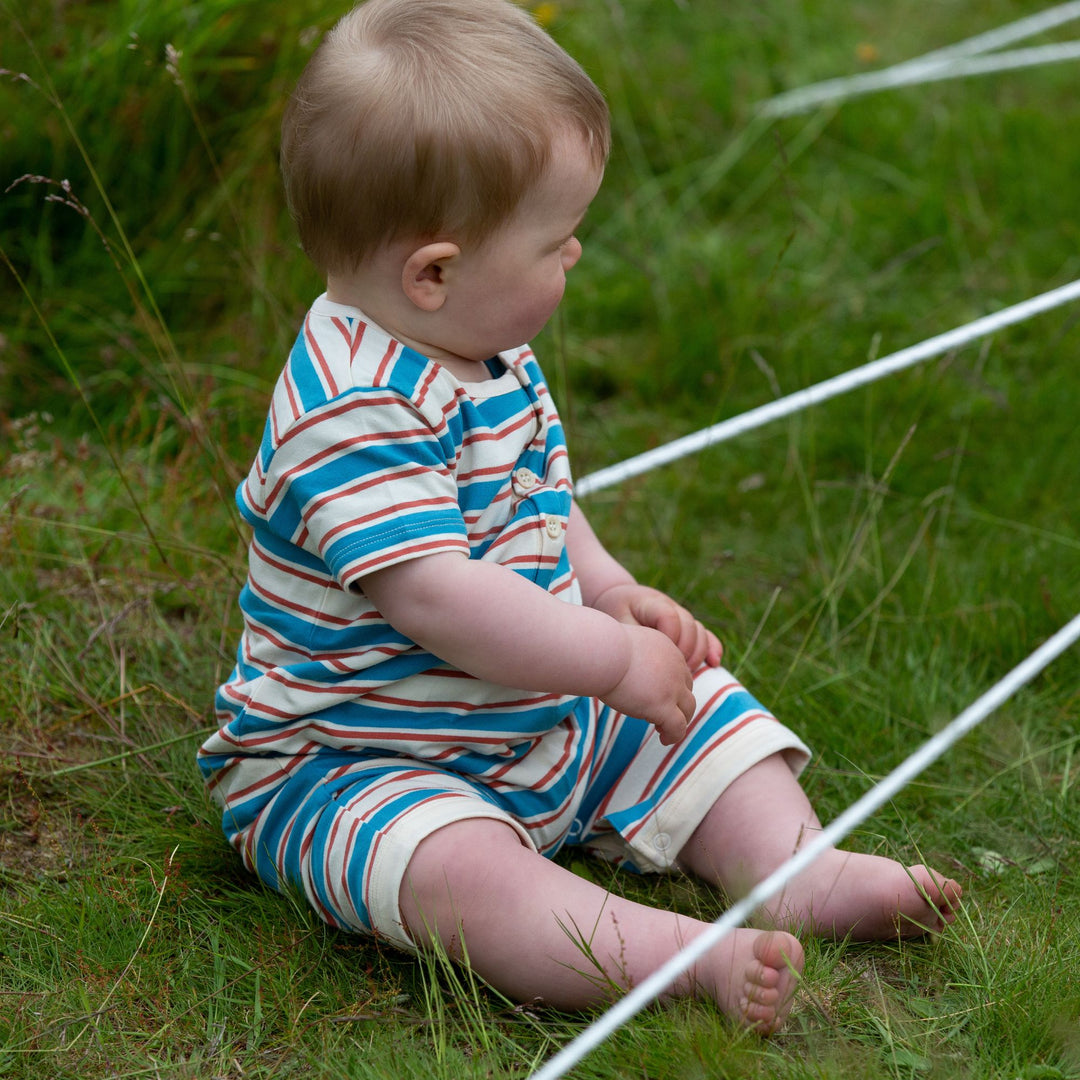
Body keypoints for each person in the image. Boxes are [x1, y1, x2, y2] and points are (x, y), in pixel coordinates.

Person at [198, 0, 961, 1034]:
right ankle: (679, 957)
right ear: (435, 270)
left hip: (533, 712)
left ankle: (795, 872)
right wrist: (604, 659)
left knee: (694, 707)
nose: (576, 257)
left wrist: (610, 594)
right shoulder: (350, 408)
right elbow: (439, 595)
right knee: (457, 874)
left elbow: (538, 503)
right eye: (555, 240)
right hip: (363, 756)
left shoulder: (476, 345)